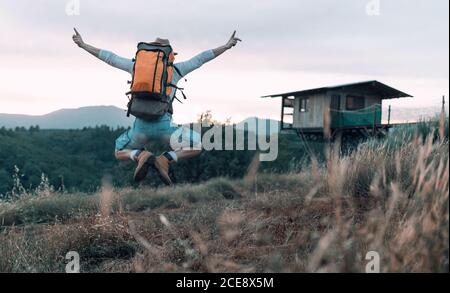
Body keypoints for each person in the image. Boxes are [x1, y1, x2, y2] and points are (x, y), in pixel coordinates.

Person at [72, 28, 241, 185]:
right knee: (196, 145)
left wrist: (83, 45)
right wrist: (226, 46)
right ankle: (165, 159)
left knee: (119, 150)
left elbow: (110, 58)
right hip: (165, 129)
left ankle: (140, 155)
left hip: (139, 130)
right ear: (169, 54)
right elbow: (201, 58)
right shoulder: (175, 70)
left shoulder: (135, 67)